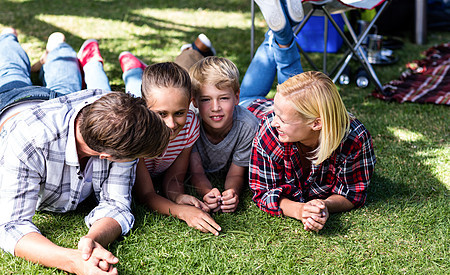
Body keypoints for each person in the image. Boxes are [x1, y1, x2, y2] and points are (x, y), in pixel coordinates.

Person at [0, 28, 170, 275]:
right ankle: (8, 38)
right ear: (106, 156)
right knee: (11, 70)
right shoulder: (27, 143)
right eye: (134, 159)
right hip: (13, 105)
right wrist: (72, 261)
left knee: (65, 71)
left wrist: (93, 240)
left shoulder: (116, 121)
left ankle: (58, 49)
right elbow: (11, 226)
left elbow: (117, 204)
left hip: (62, 100)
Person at [249, 71, 376, 232]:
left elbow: (353, 193)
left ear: (317, 123)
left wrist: (323, 206)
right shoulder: (270, 130)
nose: (275, 123)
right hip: (248, 109)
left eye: (282, 120)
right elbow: (263, 192)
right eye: (276, 115)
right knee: (248, 93)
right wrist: (299, 210)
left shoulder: (355, 138)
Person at [118, 53, 222, 235]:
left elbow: (174, 178)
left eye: (179, 113)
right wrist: (181, 211)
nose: (172, 124)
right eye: (162, 114)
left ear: (190, 104)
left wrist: (178, 196)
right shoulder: (137, 132)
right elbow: (145, 194)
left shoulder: (190, 125)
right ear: (145, 107)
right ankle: (101, 64)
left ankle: (134, 68)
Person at [188, 56, 259, 213]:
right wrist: (207, 192)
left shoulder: (247, 126)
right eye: (206, 99)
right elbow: (196, 171)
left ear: (236, 97)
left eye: (224, 98)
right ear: (194, 102)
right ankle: (134, 70)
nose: (215, 107)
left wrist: (231, 192)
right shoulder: (189, 123)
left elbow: (236, 173)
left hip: (255, 106)